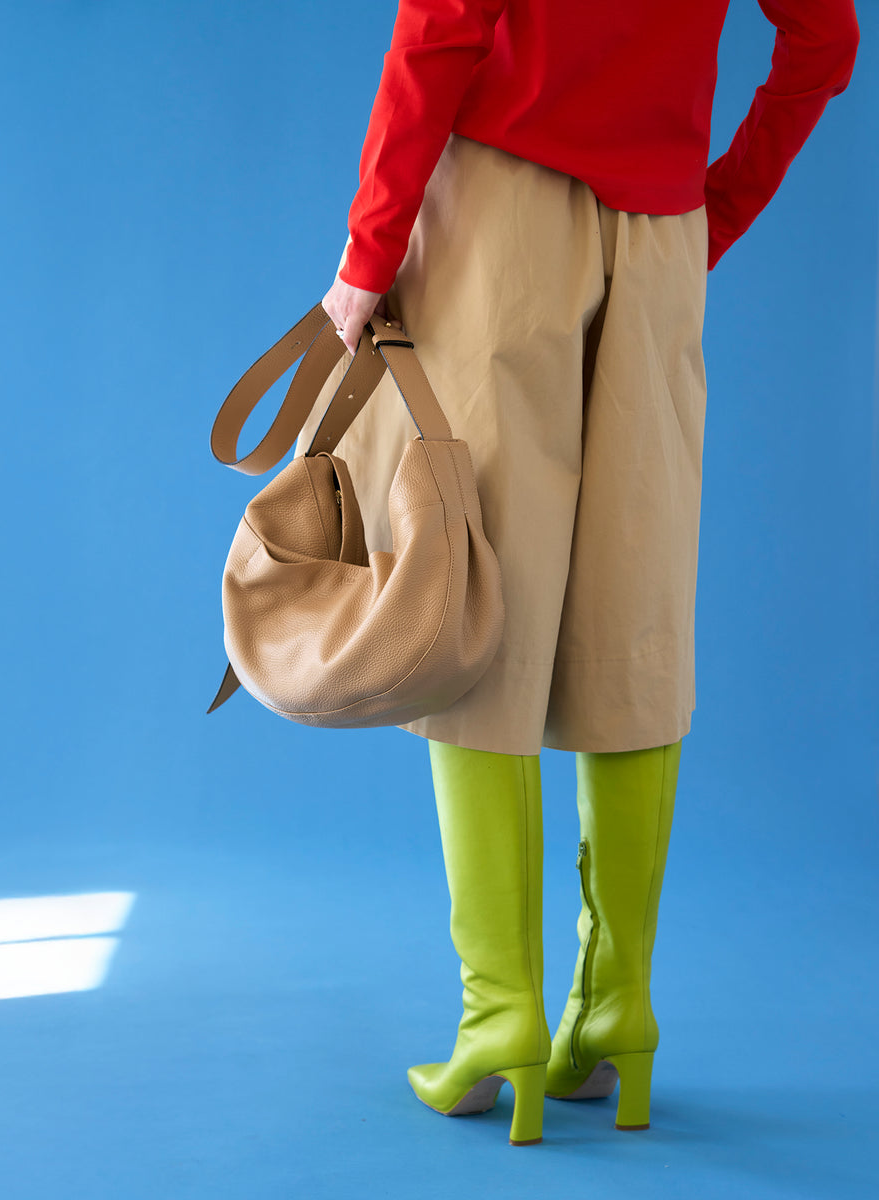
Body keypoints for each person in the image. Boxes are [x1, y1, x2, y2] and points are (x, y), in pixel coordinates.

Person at [307, 0, 861, 1145]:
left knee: (474, 594)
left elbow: (442, 29)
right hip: (659, 237)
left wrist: (367, 260)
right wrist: (714, 211)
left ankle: (497, 1014)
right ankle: (615, 1010)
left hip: (502, 217)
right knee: (634, 604)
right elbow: (827, 36)